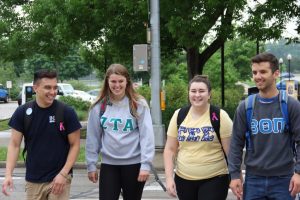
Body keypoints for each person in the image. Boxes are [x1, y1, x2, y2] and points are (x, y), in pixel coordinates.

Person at [228, 52, 300, 200]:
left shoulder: (291, 105)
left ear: (276, 73)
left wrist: (298, 173)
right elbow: (236, 143)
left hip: (284, 180)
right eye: (254, 72)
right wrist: (234, 175)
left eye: (263, 72)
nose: (257, 76)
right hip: (254, 180)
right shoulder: (245, 107)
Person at [1, 69, 81, 200]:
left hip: (59, 179)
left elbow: (75, 145)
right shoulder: (23, 112)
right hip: (33, 180)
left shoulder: (66, 112)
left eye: (55, 87)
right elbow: (14, 145)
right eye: (47, 87)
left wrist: (63, 174)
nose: (53, 92)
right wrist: (8, 174)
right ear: (35, 88)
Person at [86, 63, 155, 200]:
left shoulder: (138, 103)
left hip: (134, 165)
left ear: (127, 82)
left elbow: (147, 136)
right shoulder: (99, 105)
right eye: (113, 81)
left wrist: (146, 165)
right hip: (109, 165)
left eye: (120, 81)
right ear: (107, 82)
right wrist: (91, 165)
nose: (117, 85)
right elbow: (93, 137)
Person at [164, 75, 232, 200]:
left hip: (215, 178)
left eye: (201, 91)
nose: (197, 95)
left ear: (209, 94)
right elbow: (170, 149)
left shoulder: (219, 116)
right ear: (188, 93)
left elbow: (230, 152)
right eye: (193, 91)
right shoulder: (179, 115)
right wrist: (168, 178)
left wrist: (236, 177)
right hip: (183, 179)